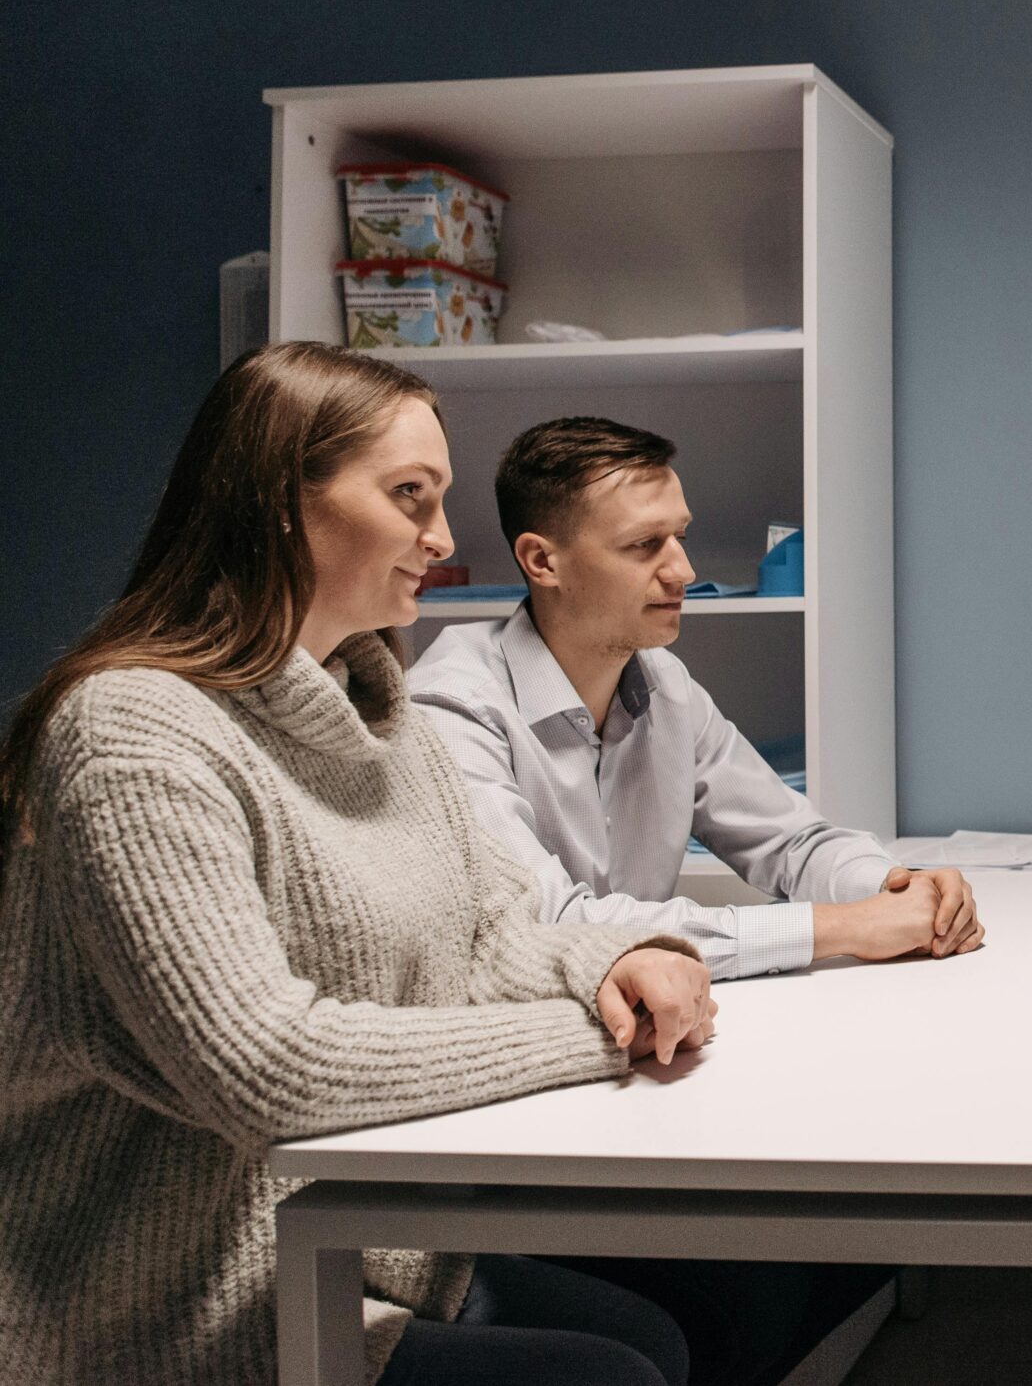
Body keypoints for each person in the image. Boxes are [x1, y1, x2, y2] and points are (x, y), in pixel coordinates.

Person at [0, 342, 716, 1386]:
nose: (443, 537)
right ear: (280, 503)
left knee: (665, 1333)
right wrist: (597, 1032)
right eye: (410, 496)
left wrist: (616, 961)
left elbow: (489, 933)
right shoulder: (134, 733)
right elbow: (267, 1069)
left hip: (342, 1238)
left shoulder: (383, 710)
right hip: (148, 1304)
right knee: (617, 1373)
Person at [406, 415, 982, 1385]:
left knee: (864, 1240)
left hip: (645, 1071)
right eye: (644, 546)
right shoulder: (453, 700)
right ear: (540, 559)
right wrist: (840, 929)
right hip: (518, 1118)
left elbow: (790, 837)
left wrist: (890, 883)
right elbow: (556, 928)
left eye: (677, 535)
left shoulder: (661, 685)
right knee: (766, 1280)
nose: (681, 568)